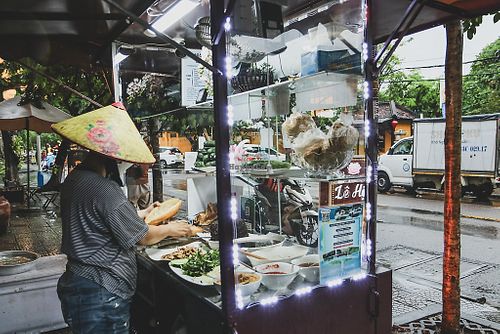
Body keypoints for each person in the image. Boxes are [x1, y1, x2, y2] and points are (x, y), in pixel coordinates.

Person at [52, 103, 192, 333]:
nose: (125, 167)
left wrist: (143, 213)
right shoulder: (104, 189)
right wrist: (172, 229)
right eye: (121, 162)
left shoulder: (75, 180)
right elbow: (143, 237)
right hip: (101, 291)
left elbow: (98, 219)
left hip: (81, 283)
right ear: (108, 158)